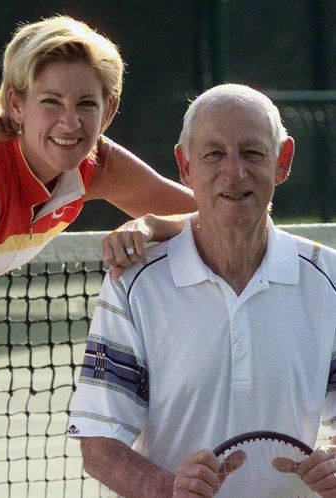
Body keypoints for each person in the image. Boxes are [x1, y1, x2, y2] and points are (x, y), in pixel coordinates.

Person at [0, 16, 194, 497]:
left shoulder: (94, 164)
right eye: (50, 102)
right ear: (16, 105)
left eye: (87, 104)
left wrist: (151, 224)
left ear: (108, 112)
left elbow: (216, 216)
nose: (70, 122)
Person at [69, 84, 336, 497]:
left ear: (282, 161)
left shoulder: (330, 278)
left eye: (252, 152)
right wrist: (168, 488)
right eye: (214, 154)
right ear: (185, 164)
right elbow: (98, 443)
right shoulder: (133, 283)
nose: (234, 172)